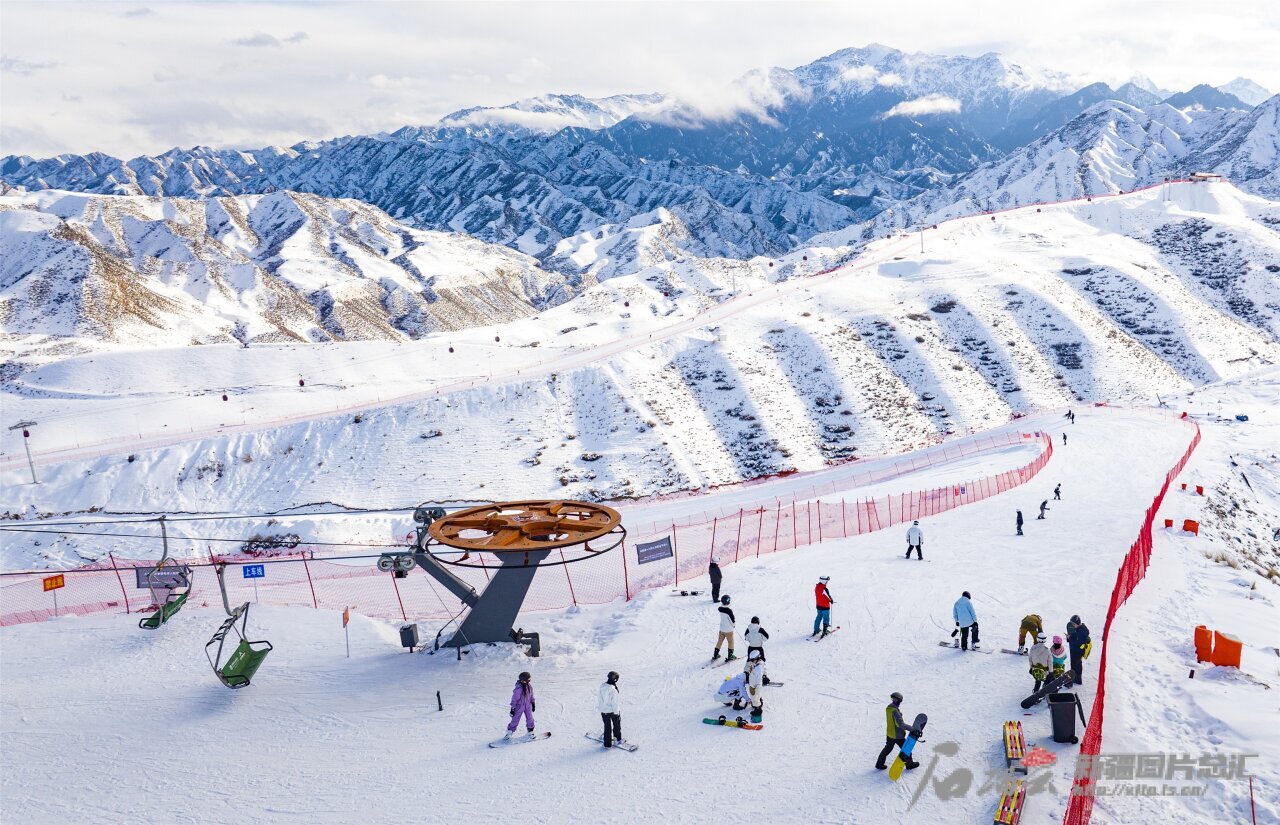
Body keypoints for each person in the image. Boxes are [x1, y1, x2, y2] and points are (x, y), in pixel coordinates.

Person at [875, 692, 922, 771]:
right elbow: (900, 724)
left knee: (887, 749)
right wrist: (913, 729)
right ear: (899, 701)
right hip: (897, 736)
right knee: (907, 749)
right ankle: (909, 764)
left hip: (890, 734)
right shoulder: (895, 711)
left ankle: (879, 764)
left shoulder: (889, 708)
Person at [503, 671, 536, 740]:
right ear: (524, 680)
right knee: (515, 719)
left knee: (530, 718)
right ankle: (509, 732)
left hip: (528, 706)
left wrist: (533, 702)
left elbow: (531, 695)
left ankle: (530, 731)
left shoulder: (529, 686)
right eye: (528, 679)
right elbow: (514, 699)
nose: (530, 680)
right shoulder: (519, 689)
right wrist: (513, 708)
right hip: (519, 706)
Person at [597, 671, 624, 749]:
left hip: (603, 710)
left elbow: (599, 697)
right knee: (617, 724)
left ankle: (607, 744)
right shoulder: (613, 690)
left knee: (607, 726)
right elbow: (615, 703)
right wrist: (616, 712)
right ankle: (617, 739)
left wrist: (602, 708)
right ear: (615, 680)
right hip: (612, 710)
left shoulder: (602, 686)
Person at [1067, 615, 1092, 685]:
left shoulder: (1081, 631)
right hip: (1077, 651)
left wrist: (1070, 638)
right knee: (1076, 665)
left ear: (1076, 623)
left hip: (1077, 652)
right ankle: (1075, 678)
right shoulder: (1081, 628)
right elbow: (1076, 636)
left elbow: (1078, 643)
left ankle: (1077, 680)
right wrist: (1071, 637)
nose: (1072, 625)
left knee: (1077, 665)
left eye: (1073, 624)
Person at [713, 595, 737, 661]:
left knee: (719, 641)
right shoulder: (729, 610)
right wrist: (733, 625)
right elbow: (732, 620)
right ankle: (730, 655)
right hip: (728, 629)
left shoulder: (720, 608)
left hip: (722, 628)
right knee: (730, 642)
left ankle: (715, 654)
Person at [744, 650, 766, 721]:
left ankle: (758, 710)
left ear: (757, 658)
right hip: (752, 684)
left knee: (755, 697)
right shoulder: (755, 664)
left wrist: (757, 689)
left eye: (752, 660)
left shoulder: (759, 667)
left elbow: (759, 680)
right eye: (751, 659)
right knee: (754, 697)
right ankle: (759, 701)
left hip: (756, 686)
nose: (751, 661)